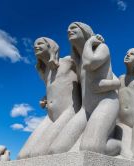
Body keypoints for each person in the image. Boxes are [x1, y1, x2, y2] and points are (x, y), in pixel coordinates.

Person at [49, 22, 120, 155]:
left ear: (85, 31)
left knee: (92, 148)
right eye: (68, 28)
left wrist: (89, 42)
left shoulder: (102, 48)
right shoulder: (78, 61)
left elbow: (90, 64)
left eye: (73, 27)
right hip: (85, 109)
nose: (68, 30)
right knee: (56, 150)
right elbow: (114, 79)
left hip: (106, 102)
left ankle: (119, 144)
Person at [18, 37, 81, 159]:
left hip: (69, 111)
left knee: (43, 153)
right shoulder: (45, 71)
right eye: (34, 45)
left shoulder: (68, 61)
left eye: (40, 43)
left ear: (50, 46)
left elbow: (87, 74)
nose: (35, 46)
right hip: (51, 116)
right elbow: (55, 87)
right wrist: (45, 98)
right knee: (23, 155)